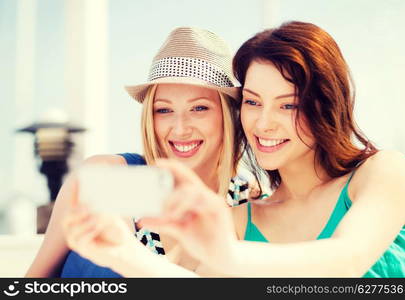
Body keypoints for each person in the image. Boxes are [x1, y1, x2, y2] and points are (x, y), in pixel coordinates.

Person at [62, 21, 405, 278]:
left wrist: (227, 254)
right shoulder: (237, 217)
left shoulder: (383, 171)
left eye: (288, 105)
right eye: (254, 102)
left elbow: (348, 259)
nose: (264, 123)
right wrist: (122, 254)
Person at [26, 26, 251, 278]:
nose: (180, 128)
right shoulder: (111, 178)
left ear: (229, 114)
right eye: (163, 110)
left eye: (199, 108)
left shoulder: (247, 204)